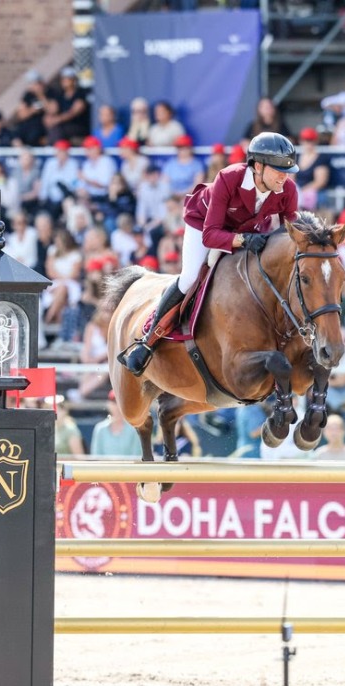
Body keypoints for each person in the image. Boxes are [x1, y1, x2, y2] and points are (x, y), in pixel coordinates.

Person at [118, 132, 300, 376]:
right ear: (258, 166)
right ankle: (147, 340)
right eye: (279, 170)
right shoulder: (229, 178)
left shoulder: (287, 189)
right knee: (190, 277)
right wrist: (243, 240)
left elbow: (292, 232)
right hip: (203, 224)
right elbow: (211, 235)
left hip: (246, 228)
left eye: (287, 170)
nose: (285, 176)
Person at [89, 391, 142, 456]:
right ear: (108, 404)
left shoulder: (134, 429)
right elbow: (96, 456)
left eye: (121, 402)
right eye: (114, 402)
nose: (117, 406)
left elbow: (136, 456)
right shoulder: (100, 429)